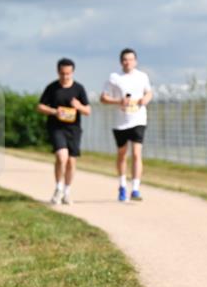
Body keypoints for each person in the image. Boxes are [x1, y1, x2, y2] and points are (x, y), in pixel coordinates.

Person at [99, 48, 152, 202]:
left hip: (138, 119)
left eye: (130, 59)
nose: (128, 62)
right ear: (121, 61)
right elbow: (103, 98)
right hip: (121, 121)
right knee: (122, 154)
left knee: (136, 153)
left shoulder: (142, 76)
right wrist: (119, 101)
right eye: (125, 59)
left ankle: (135, 188)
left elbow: (149, 92)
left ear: (135, 61)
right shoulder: (115, 78)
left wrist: (145, 100)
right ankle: (122, 185)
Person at [37, 58, 91, 205]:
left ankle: (67, 191)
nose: (65, 77)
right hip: (56, 127)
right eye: (62, 73)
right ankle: (58, 188)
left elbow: (88, 111)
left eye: (68, 74)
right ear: (58, 72)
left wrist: (79, 106)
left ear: (72, 72)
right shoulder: (52, 88)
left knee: (71, 162)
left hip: (74, 129)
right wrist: (55, 111)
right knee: (62, 157)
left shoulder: (79, 89)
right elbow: (40, 106)